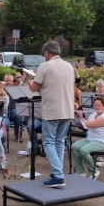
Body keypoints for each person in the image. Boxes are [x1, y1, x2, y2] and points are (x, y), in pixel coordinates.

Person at [29, 41, 75, 187]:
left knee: (48, 142)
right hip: (67, 110)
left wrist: (30, 82)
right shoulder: (69, 66)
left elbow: (34, 88)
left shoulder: (45, 66)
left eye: (44, 54)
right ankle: (57, 173)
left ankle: (58, 175)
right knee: (59, 142)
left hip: (52, 111)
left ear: (47, 53)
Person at [72, 96, 104, 179]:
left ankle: (94, 171)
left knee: (84, 150)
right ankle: (80, 172)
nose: (96, 107)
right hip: (91, 139)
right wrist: (79, 117)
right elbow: (86, 127)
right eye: (95, 105)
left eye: (98, 105)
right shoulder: (93, 114)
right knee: (74, 147)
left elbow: (90, 124)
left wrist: (81, 116)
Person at [4, 74, 24, 142]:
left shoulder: (15, 89)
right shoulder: (1, 89)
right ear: (4, 81)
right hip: (4, 110)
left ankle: (18, 135)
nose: (9, 82)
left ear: (12, 81)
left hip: (13, 109)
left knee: (18, 116)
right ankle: (3, 136)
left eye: (10, 81)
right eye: (7, 81)